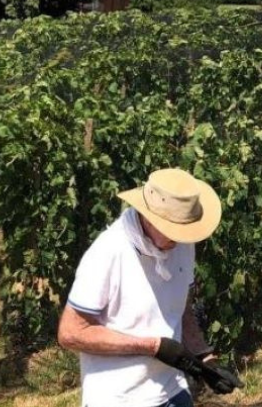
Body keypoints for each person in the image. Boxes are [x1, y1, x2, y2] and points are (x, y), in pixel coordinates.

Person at [57, 168, 222, 407]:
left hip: (172, 390)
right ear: (148, 217)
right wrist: (152, 346)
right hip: (119, 397)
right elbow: (71, 333)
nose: (179, 240)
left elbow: (181, 304)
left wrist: (205, 357)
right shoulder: (109, 252)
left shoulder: (182, 243)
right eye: (173, 231)